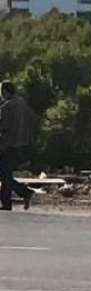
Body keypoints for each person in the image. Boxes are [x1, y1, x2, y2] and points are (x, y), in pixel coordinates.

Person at [0, 81, 36, 211]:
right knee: (6, 174)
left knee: (5, 174)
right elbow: (32, 120)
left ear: (5, 91)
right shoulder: (23, 104)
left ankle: (13, 199)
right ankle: (22, 194)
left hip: (6, 145)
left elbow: (3, 128)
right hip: (21, 144)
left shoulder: (6, 107)